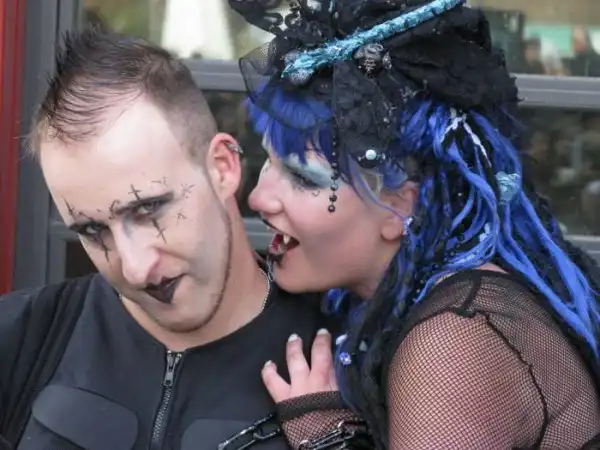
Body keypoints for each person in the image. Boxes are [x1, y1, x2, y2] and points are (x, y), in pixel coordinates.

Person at [228, 0, 600, 448]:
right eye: (267, 162)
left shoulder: (455, 341)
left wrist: (326, 436)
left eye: (304, 178)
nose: (257, 197)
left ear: (401, 205)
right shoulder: (401, 296)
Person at [0, 29, 336, 450]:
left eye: (148, 209)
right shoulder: (23, 335)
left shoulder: (346, 361)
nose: (136, 268)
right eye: (92, 230)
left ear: (223, 167)